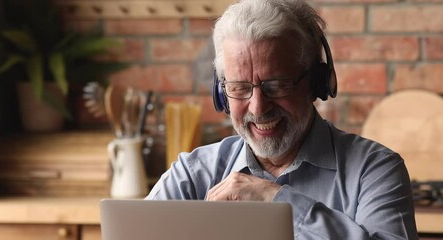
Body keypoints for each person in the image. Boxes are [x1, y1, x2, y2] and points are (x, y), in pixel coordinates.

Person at [146, 0, 418, 239]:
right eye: (239, 88)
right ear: (221, 93)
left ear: (315, 84)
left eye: (276, 86)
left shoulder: (375, 171)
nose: (258, 106)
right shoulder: (193, 174)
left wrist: (277, 200)